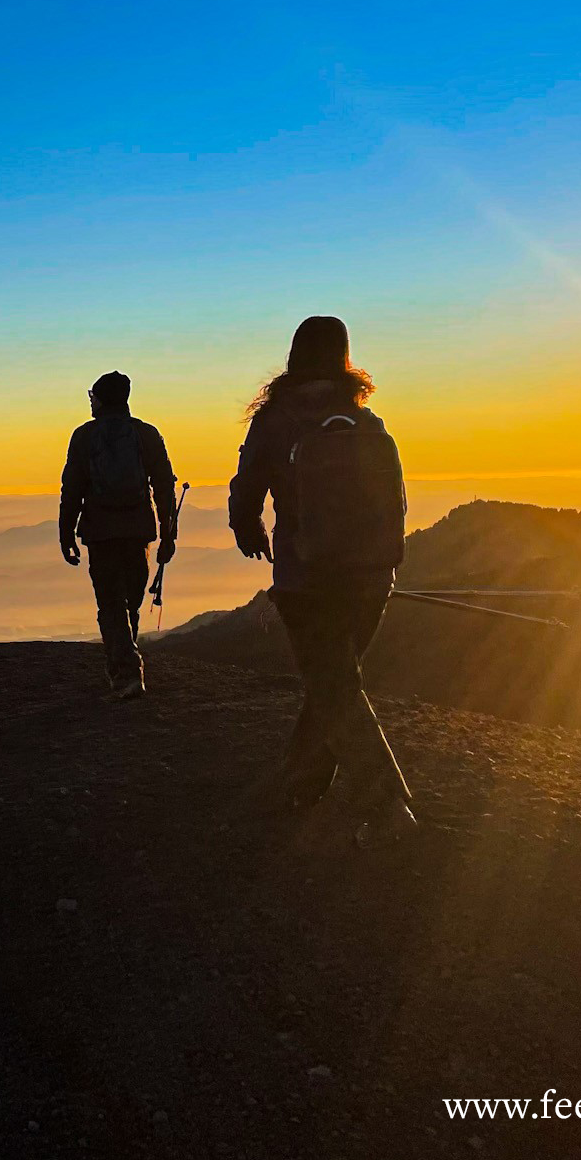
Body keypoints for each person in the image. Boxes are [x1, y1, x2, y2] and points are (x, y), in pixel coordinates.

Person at [228, 316, 417, 847]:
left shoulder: (275, 420)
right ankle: (299, 782)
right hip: (372, 579)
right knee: (334, 682)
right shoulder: (366, 421)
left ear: (292, 357)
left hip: (306, 579)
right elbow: (395, 503)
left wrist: (249, 531)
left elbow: (246, 490)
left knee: (333, 687)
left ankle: (386, 803)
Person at [58, 371, 179, 700]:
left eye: (91, 397)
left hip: (100, 532)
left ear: (99, 399)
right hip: (138, 530)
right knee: (130, 601)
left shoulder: (84, 437)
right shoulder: (147, 435)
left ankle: (125, 671)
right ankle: (124, 666)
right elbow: (164, 486)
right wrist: (169, 535)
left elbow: (72, 489)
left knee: (111, 603)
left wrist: (66, 533)